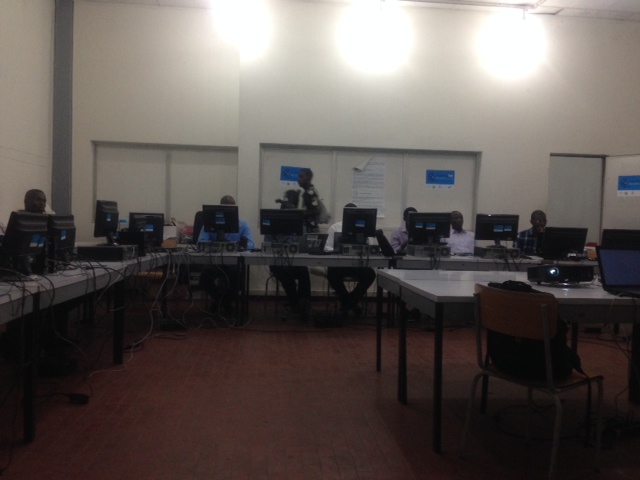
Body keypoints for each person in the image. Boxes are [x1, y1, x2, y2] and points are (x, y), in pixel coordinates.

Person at [198, 195, 255, 316]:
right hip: (214, 263)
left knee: (237, 278)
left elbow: (251, 245)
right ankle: (223, 303)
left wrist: (238, 245)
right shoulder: (208, 224)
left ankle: (221, 302)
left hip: (233, 264)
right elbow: (200, 243)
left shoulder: (243, 225)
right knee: (204, 278)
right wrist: (215, 244)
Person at [324, 204, 377, 318]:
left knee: (370, 274)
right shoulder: (335, 227)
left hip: (358, 265)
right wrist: (337, 250)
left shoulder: (366, 228)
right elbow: (327, 246)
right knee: (331, 273)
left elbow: (370, 247)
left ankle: (348, 302)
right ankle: (351, 303)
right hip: (340, 265)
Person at [297, 168, 322, 233]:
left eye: (301, 177)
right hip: (307, 227)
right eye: (299, 177)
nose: (299, 179)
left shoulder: (311, 193)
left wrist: (301, 214)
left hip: (310, 228)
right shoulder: (306, 192)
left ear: (308, 178)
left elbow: (316, 209)